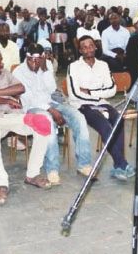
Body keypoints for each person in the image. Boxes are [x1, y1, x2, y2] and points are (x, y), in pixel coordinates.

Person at [0, 46, 51, 205]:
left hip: (12, 116)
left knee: (43, 125)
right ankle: (1, 183)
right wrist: (7, 99)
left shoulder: (4, 72)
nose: (1, 63)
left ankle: (32, 174)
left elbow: (21, 88)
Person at [9, 43, 94, 184]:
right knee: (47, 120)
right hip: (31, 108)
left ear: (43, 57)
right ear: (27, 57)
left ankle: (84, 165)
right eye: (31, 59)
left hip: (50, 102)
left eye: (38, 60)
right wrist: (50, 110)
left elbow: (51, 89)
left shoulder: (46, 64)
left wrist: (45, 71)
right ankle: (52, 170)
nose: (34, 63)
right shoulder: (18, 72)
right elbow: (28, 98)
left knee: (79, 117)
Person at [67, 36, 135, 181]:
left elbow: (112, 89)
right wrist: (99, 92)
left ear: (95, 47)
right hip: (81, 105)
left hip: (101, 102)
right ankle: (121, 163)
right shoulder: (73, 67)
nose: (88, 49)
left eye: (91, 45)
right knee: (104, 125)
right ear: (80, 50)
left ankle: (118, 167)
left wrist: (91, 92)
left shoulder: (103, 65)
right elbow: (75, 93)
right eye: (84, 47)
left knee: (118, 120)